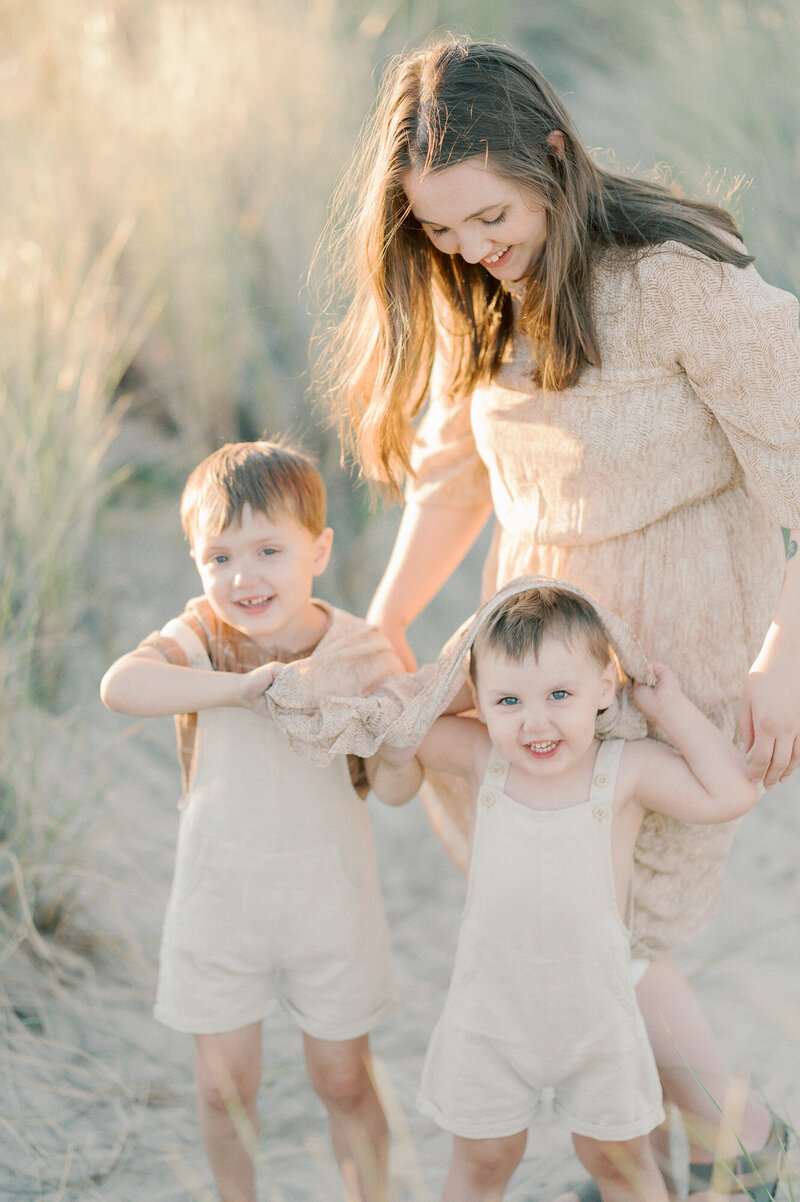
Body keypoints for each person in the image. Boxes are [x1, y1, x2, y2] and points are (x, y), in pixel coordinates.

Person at [319, 35, 800, 1202]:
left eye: (487, 215)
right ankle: (669, 1147)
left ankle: (725, 1141)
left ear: (550, 153)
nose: (470, 249)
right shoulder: (482, 301)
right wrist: (386, 629)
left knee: (604, 924)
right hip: (530, 648)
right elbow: (455, 477)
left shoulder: (676, 284)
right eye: (438, 231)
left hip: (669, 639)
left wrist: (782, 657)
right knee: (560, 913)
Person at [369, 585, 758, 1202]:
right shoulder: (480, 755)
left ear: (604, 687)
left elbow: (731, 792)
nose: (536, 722)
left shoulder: (623, 767)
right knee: (484, 1163)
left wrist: (672, 708)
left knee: (620, 1166)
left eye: (559, 695)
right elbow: (395, 766)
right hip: (492, 1017)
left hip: (596, 1022)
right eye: (508, 700)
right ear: (478, 699)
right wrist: (406, 729)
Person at [100, 440, 403, 1202]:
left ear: (319, 549)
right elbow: (119, 686)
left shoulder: (359, 648)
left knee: (342, 1080)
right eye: (218, 556)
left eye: (270, 549)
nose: (243, 576)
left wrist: (398, 738)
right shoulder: (203, 636)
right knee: (222, 1086)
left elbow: (398, 788)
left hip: (328, 905)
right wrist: (236, 691)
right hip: (221, 900)